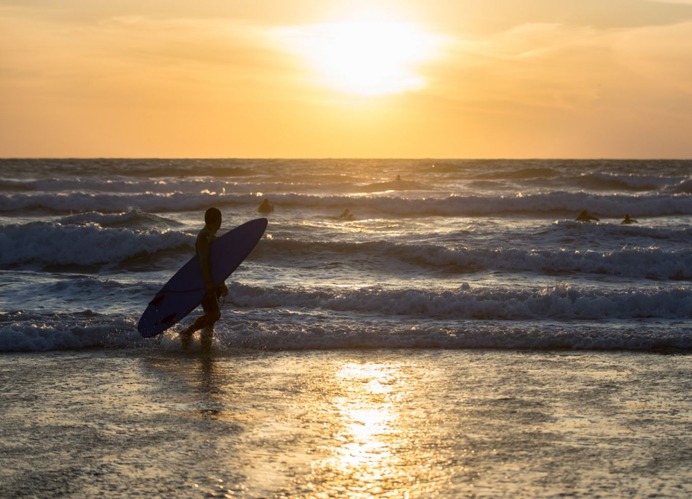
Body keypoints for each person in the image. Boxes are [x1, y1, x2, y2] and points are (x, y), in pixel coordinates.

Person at [179, 207, 228, 339]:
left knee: (210, 322)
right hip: (205, 281)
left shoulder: (211, 236)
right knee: (214, 315)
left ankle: (205, 352)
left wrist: (222, 283)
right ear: (218, 220)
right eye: (220, 219)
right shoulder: (204, 236)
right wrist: (207, 282)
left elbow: (216, 264)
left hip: (213, 281)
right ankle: (187, 333)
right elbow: (203, 261)